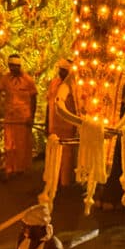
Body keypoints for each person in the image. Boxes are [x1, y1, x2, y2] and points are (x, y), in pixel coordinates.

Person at [0, 54, 38, 179]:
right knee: (9, 144)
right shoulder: (5, 79)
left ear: (20, 66)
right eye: (11, 66)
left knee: (21, 144)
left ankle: (20, 169)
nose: (14, 68)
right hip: (10, 116)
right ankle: (9, 170)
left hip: (23, 118)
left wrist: (32, 117)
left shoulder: (28, 80)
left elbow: (34, 98)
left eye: (16, 66)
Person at [46, 59, 77, 190]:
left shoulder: (74, 86)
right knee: (53, 151)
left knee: (66, 154)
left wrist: (76, 125)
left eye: (64, 70)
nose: (61, 72)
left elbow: (77, 106)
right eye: (60, 70)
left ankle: (65, 182)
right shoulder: (54, 83)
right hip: (54, 124)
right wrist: (46, 122)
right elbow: (49, 103)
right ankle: (53, 179)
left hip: (68, 125)